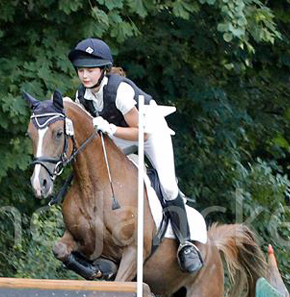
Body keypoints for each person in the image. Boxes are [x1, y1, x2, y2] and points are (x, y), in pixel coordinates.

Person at [68, 38, 204, 274]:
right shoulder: (83, 96)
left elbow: (141, 133)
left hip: (149, 132)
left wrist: (111, 129)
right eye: (81, 71)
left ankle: (185, 243)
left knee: (169, 186)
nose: (85, 76)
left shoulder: (119, 91)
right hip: (119, 134)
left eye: (90, 70)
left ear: (103, 70)